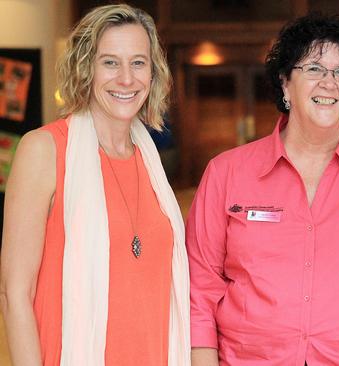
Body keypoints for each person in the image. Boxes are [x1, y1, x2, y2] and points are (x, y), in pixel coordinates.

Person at [187, 13, 339, 366]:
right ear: (285, 83)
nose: (329, 84)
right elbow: (201, 293)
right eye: (314, 69)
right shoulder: (226, 173)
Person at [0, 4, 190, 365]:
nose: (126, 78)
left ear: (153, 72)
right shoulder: (43, 150)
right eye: (110, 62)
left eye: (138, 62)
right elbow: (14, 292)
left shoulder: (151, 162)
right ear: (85, 68)